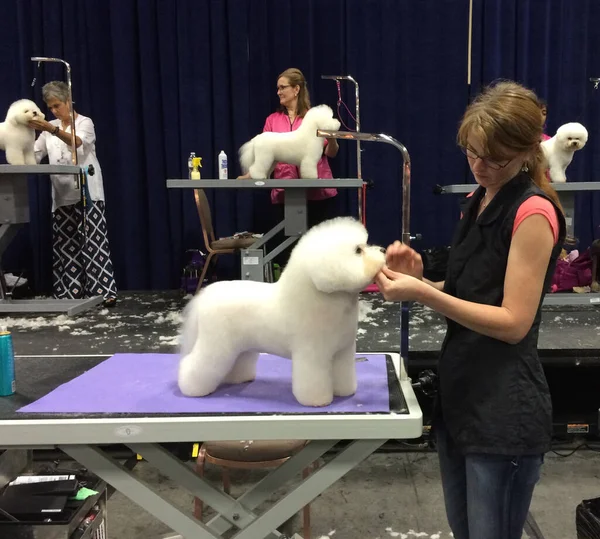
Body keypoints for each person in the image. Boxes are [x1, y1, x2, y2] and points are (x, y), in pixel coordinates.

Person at [376, 81, 566, 539]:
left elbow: (513, 323)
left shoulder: (532, 213)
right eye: (471, 152)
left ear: (526, 151)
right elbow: (470, 292)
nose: (480, 166)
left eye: (494, 158)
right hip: (460, 399)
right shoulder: (478, 201)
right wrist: (420, 278)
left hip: (502, 413)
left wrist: (422, 295)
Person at [29, 81, 118, 307]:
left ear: (68, 102)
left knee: (93, 244)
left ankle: (104, 292)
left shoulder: (84, 123)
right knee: (66, 246)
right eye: (50, 108)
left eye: (57, 106)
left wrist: (53, 129)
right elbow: (34, 155)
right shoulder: (48, 129)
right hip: (62, 194)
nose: (54, 111)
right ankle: (70, 293)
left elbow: (78, 144)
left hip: (88, 192)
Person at [238, 67, 340, 229]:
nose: (278, 92)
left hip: (317, 195)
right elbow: (266, 155)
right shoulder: (272, 120)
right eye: (277, 88)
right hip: (284, 194)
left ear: (296, 89)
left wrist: (332, 138)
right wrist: (251, 174)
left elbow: (330, 152)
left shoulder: (313, 117)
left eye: (282, 87)